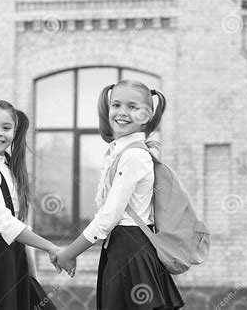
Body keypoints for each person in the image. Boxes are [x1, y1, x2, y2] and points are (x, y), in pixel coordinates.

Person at [54, 80, 185, 309]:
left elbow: (108, 217)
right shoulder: (121, 152)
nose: (122, 113)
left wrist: (69, 253)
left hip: (131, 252)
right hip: (120, 250)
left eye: (132, 107)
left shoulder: (134, 156)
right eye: (116, 105)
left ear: (147, 115)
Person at [0, 99, 74, 310]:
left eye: (6, 127)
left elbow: (18, 224)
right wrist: (51, 247)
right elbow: (3, 222)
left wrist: (31, 269)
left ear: (15, 132)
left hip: (12, 261)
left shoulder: (6, 166)